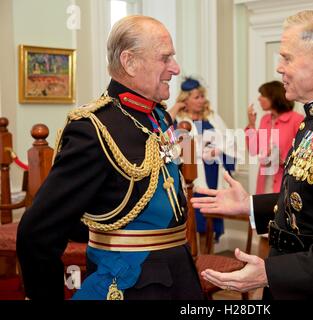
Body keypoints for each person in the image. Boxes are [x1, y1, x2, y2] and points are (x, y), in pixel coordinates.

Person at [192, 9, 313, 300]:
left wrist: (269, 273)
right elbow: (312, 199)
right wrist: (249, 205)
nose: (279, 67)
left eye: (287, 57)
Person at [16, 15, 204, 300]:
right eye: (165, 59)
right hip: (132, 285)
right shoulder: (93, 129)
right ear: (129, 62)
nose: (175, 68)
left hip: (178, 275)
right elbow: (37, 233)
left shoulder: (158, 115)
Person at [168, 78, 237, 248]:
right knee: (195, 217)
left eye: (202, 97)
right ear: (186, 99)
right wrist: (177, 107)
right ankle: (195, 256)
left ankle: (209, 252)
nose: (202, 100)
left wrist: (216, 151)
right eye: (197, 97)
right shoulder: (180, 120)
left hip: (213, 171)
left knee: (212, 218)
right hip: (193, 173)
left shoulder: (212, 117)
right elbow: (170, 142)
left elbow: (229, 141)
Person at [246, 80, 304, 194]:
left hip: (287, 179)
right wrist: (251, 124)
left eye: (262, 95)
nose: (259, 99)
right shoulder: (265, 120)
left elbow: (302, 153)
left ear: (273, 97)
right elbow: (254, 150)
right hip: (266, 179)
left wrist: (282, 161)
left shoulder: (296, 120)